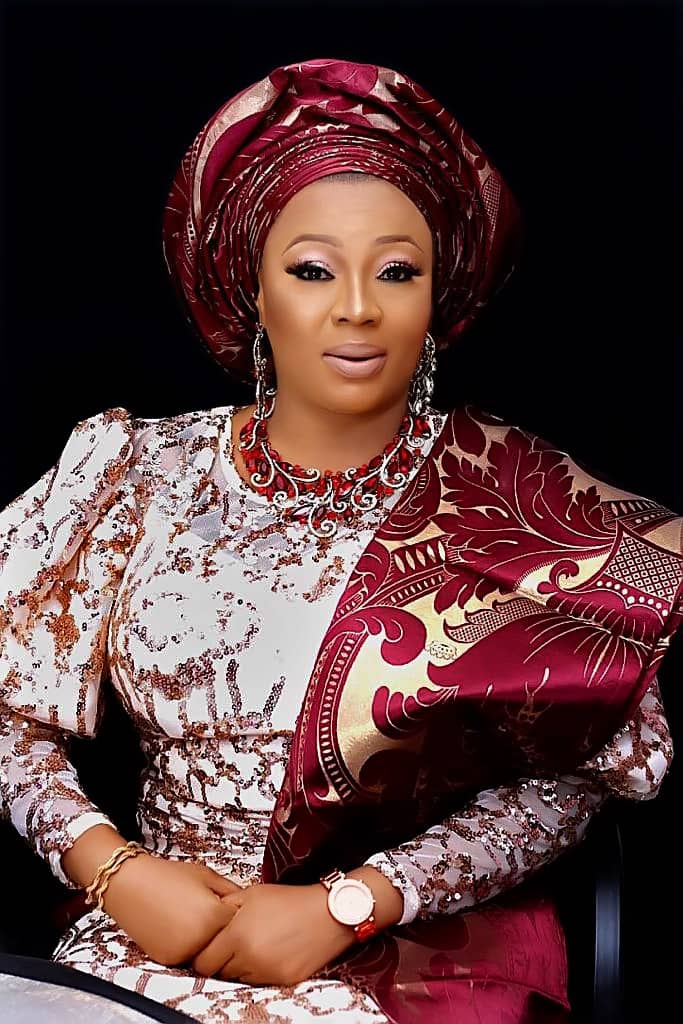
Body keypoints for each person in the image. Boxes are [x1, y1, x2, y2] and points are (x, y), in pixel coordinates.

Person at [1, 57, 681, 1024]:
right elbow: (5, 715)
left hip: (400, 948)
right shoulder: (136, 473)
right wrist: (112, 867)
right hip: (151, 936)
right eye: (312, 270)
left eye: (396, 271)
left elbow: (573, 776)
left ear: (437, 296)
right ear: (251, 289)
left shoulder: (520, 495)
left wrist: (352, 903)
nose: (357, 305)